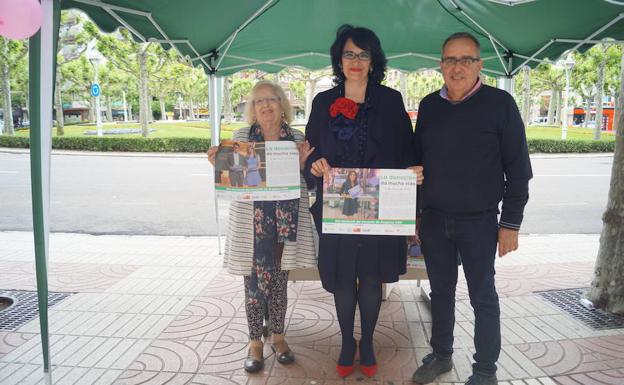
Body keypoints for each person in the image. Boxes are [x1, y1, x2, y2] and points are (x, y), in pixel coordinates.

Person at [411, 32, 533, 385]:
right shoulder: (430, 105)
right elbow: (418, 162)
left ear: (479, 65)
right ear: (441, 66)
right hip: (434, 220)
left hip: (480, 222)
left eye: (466, 60)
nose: (457, 67)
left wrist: (510, 224)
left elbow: (519, 171)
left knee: (483, 296)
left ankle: (485, 371)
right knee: (441, 293)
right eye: (450, 60)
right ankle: (442, 356)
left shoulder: (500, 104)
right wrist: (415, 214)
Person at [304, 25, 423, 379]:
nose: (356, 61)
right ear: (339, 60)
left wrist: (413, 171)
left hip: (382, 209)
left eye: (363, 54)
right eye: (349, 54)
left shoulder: (391, 100)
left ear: (374, 61)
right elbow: (312, 154)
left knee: (371, 278)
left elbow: (408, 150)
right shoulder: (323, 102)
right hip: (336, 206)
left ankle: (367, 341)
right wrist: (317, 164)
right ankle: (346, 342)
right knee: (343, 278)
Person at [207, 80, 317, 373]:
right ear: (253, 109)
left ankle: (279, 336)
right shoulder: (242, 136)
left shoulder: (295, 137)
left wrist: (303, 165)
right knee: (253, 284)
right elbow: (234, 179)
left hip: (284, 221)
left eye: (272, 99)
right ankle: (254, 341)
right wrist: (217, 163)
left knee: (279, 281)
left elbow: (302, 183)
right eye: (259, 101)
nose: (266, 105)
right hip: (251, 222)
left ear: (282, 105)